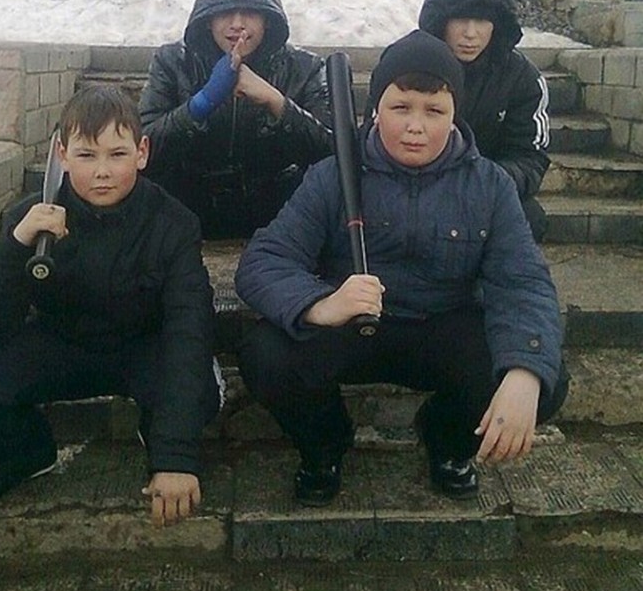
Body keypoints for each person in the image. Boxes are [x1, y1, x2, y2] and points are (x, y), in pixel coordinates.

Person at [235, 30, 568, 507]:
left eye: (434, 111)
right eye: (401, 107)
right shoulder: (331, 176)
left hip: (443, 328)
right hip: (355, 328)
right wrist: (319, 304)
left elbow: (523, 282)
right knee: (265, 353)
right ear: (376, 110)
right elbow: (264, 261)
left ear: (455, 115)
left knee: (544, 379)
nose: (416, 126)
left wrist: (525, 371)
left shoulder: (490, 186)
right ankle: (325, 444)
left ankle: (448, 440)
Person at [0, 85, 222, 527]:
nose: (102, 172)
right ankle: (24, 454)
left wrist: (176, 458)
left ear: (142, 152)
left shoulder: (174, 223)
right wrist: (14, 247)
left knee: (202, 390)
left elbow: (190, 329)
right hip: (62, 343)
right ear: (62, 155)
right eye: (87, 155)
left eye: (117, 154)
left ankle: (155, 432)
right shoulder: (31, 219)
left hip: (142, 347)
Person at [139, 0, 333, 239]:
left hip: (279, 214)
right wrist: (201, 104)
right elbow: (142, 151)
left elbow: (332, 153)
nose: (237, 24)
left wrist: (277, 103)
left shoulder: (304, 68)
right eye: (225, 12)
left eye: (250, 13)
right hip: (186, 212)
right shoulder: (172, 61)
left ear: (267, 20)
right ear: (207, 20)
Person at [415, 0, 551, 241]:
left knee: (530, 216)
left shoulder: (522, 78)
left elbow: (529, 157)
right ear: (441, 20)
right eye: (460, 19)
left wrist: (481, 180)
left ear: (497, 24)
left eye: (481, 20)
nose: (470, 33)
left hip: (483, 194)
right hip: (412, 187)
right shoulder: (407, 64)